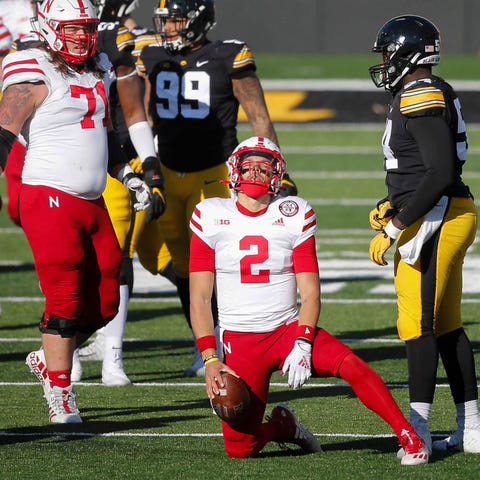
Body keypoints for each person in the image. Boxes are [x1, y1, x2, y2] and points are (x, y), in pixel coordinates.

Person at [188, 136, 428, 464]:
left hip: (287, 329)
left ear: (278, 174)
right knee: (240, 449)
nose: (256, 173)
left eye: (264, 166)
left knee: (353, 365)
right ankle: (284, 427)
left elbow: (311, 291)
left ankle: (409, 436)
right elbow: (200, 298)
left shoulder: (293, 213)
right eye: (249, 166)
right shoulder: (210, 214)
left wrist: (302, 342)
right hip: (239, 341)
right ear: (233, 170)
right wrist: (211, 358)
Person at [2, 0, 152, 423]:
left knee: (106, 298)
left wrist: (130, 175)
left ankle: (50, 358)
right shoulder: (31, 67)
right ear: (49, 28)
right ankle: (61, 393)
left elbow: (102, 139)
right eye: (72, 29)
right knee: (65, 295)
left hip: (92, 197)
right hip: (48, 195)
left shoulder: (97, 67)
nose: (83, 37)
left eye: (87, 28)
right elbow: (4, 129)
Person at [138, 0, 296, 377]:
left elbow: (259, 117)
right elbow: (142, 113)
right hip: (169, 172)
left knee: (220, 261)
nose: (169, 29)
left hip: (216, 174)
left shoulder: (228, 55)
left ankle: (238, 337)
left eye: (176, 21)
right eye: (166, 21)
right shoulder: (152, 54)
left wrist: (280, 170)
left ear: (198, 21)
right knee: (183, 267)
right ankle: (204, 342)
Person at [368, 14, 480, 455]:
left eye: (386, 52)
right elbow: (425, 169)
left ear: (406, 52)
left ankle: (417, 433)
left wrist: (398, 224)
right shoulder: (424, 93)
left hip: (438, 213)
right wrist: (395, 204)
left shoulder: (422, 95)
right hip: (441, 209)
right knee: (447, 325)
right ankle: (471, 427)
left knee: (418, 326)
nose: (383, 61)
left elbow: (439, 171)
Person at [72, 0, 167, 387]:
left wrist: (148, 165)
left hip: (112, 159)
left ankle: (111, 353)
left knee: (118, 257)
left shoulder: (112, 39)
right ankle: (70, 350)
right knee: (68, 261)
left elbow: (133, 111)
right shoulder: (34, 48)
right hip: (59, 166)